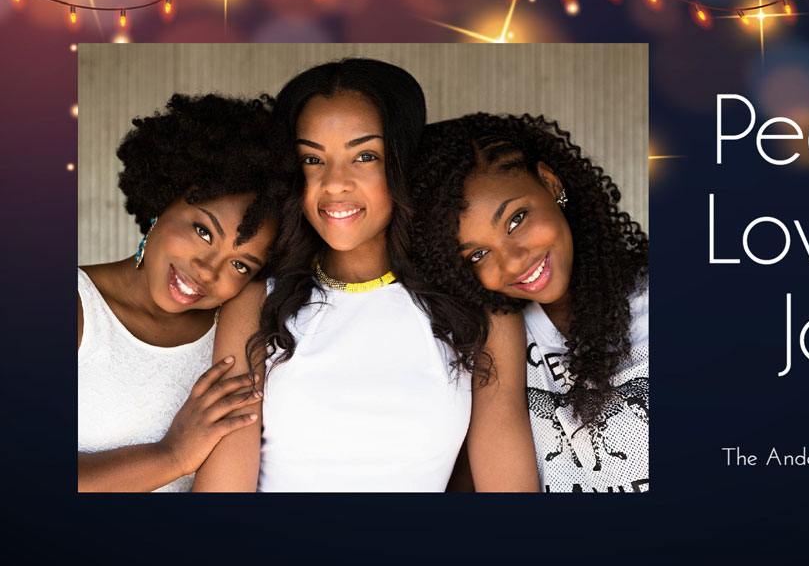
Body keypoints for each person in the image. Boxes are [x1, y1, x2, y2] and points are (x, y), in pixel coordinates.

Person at [194, 60, 537, 492]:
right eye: (313, 159)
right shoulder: (256, 303)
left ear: (402, 161)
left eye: (365, 156)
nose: (335, 183)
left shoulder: (481, 310)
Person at [409, 113, 649, 492]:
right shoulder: (495, 337)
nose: (513, 260)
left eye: (516, 219)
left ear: (550, 183)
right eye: (477, 255)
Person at [78, 93, 293, 492]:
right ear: (162, 199)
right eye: (203, 231)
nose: (208, 270)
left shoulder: (233, 337)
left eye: (240, 264)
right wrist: (173, 456)